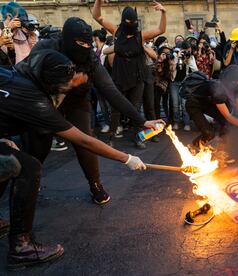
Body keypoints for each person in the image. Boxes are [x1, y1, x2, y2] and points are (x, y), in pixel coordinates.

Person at [0, 50, 148, 270]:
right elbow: (84, 140)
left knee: (8, 155)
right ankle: (22, 247)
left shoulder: (18, 73)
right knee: (27, 167)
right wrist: (126, 158)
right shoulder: (35, 101)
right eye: (67, 85)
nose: (71, 86)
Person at [21, 17, 164, 205]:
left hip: (77, 102)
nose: (86, 47)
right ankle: (29, 181)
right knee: (39, 144)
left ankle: (95, 184)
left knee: (85, 140)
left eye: (89, 43)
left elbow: (111, 91)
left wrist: (141, 120)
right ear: (68, 40)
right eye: (81, 43)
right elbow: (26, 77)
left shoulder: (91, 60)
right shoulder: (46, 49)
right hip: (44, 101)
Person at [92, 0, 166, 148]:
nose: (131, 24)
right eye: (128, 22)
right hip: (119, 77)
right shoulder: (116, 32)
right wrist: (98, 1)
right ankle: (111, 137)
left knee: (135, 108)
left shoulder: (141, 35)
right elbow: (97, 16)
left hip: (137, 78)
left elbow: (161, 30)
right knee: (116, 109)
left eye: (133, 22)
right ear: (123, 21)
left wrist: (164, 12)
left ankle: (138, 138)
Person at [185, 65, 238, 147]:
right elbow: (228, 116)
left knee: (228, 126)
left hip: (207, 104)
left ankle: (223, 150)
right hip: (194, 104)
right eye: (236, 82)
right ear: (230, 80)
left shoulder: (234, 88)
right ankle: (191, 147)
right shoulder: (218, 90)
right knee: (208, 133)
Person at [170, 41, 198, 131]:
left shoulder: (190, 57)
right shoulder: (174, 55)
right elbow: (171, 69)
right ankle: (176, 122)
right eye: (185, 51)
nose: (187, 52)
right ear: (181, 49)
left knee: (184, 104)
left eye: (189, 51)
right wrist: (177, 58)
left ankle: (186, 123)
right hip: (174, 83)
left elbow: (195, 70)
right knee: (175, 104)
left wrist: (188, 60)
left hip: (185, 83)